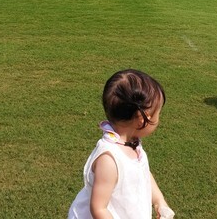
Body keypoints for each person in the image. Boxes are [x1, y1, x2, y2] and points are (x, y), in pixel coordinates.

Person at [68, 69, 175, 219]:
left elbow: (143, 172)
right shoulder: (109, 160)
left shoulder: (131, 143)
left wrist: (159, 200)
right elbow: (99, 209)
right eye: (158, 114)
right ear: (142, 120)